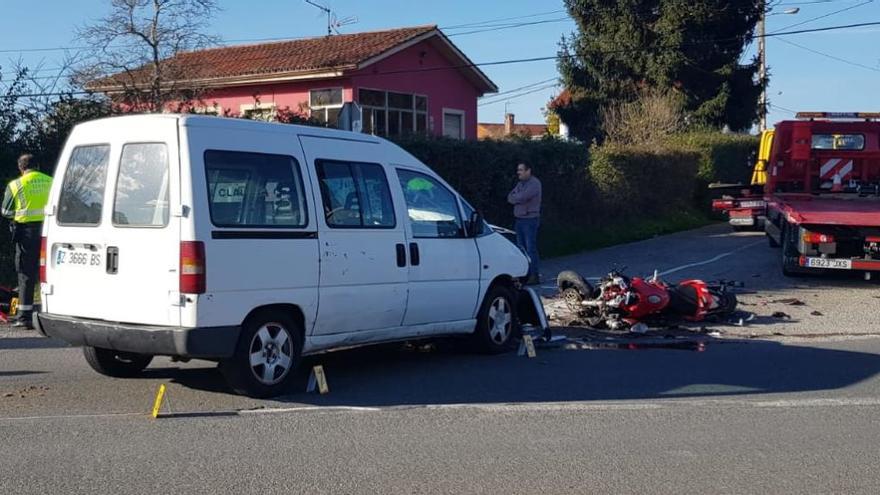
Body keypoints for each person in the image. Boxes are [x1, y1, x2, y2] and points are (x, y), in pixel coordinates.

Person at [2, 154, 52, 329]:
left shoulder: (16, 185)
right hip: (50, 230)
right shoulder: (50, 181)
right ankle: (52, 313)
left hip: (27, 233)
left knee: (26, 273)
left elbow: (5, 211)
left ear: (20, 168)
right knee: (49, 271)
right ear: (37, 166)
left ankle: (25, 317)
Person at [507, 162, 542, 285]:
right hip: (519, 219)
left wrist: (517, 198)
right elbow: (510, 197)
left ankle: (534, 275)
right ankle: (523, 274)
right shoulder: (520, 184)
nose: (518, 172)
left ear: (528, 171)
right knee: (520, 248)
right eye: (518, 170)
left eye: (521, 170)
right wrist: (516, 197)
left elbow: (522, 197)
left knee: (530, 248)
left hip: (530, 220)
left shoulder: (534, 184)